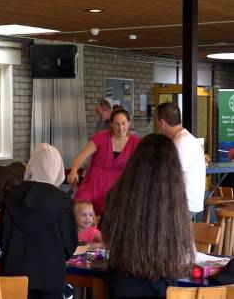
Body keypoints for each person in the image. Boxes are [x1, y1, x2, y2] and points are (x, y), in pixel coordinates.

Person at [101, 134, 195, 299]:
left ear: (135, 162)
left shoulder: (117, 195)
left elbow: (106, 234)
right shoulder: (174, 203)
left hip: (120, 283)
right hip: (162, 285)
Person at [0, 143, 78, 299]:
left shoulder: (11, 196)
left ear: (32, 164)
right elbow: (69, 244)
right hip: (51, 276)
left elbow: (1, 235)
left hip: (14, 273)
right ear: (57, 168)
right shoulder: (63, 202)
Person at [67, 109, 140, 215]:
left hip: (119, 186)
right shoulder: (101, 137)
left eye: (123, 123)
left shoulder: (136, 143)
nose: (120, 128)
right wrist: (74, 170)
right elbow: (83, 155)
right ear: (111, 124)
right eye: (117, 124)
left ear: (129, 123)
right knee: (80, 209)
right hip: (94, 183)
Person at [157, 102, 206, 218]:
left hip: (185, 205)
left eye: (157, 122)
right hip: (188, 203)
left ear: (162, 123)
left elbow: (171, 176)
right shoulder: (184, 138)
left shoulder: (180, 142)